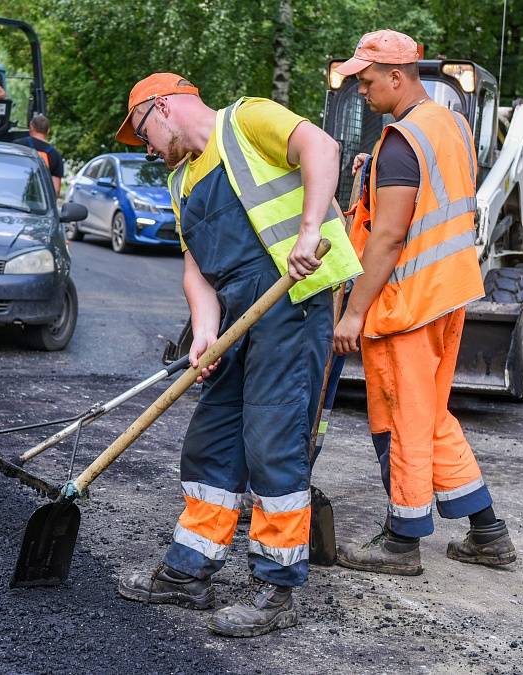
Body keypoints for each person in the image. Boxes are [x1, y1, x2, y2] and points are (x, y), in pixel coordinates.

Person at [112, 73, 361, 637]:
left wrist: (306, 231)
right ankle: (188, 572)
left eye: (143, 130)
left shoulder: (245, 120)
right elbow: (196, 267)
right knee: (213, 439)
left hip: (291, 299)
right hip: (234, 315)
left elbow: (322, 147)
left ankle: (275, 587)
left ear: (164, 106)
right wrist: (204, 331)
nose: (146, 146)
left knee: (273, 439)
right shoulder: (181, 182)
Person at [331, 30, 517, 576]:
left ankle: (400, 542)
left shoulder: (401, 142)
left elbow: (388, 238)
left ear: (397, 76)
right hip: (448, 294)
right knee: (432, 418)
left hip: (406, 304)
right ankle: (488, 533)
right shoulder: (450, 124)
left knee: (403, 421)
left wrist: (354, 312)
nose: (362, 91)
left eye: (366, 82)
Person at [14, 113, 64, 194]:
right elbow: (56, 189)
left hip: (16, 194)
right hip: (39, 203)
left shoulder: (17, 146)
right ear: (48, 130)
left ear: (31, 127)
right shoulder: (55, 155)